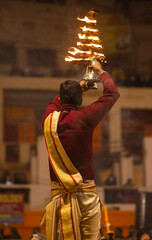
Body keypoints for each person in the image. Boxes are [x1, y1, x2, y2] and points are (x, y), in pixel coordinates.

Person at [41, 61, 120, 240]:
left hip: (59, 199)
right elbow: (112, 93)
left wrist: (78, 87)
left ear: (61, 99)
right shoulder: (85, 118)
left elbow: (55, 102)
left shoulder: (48, 119)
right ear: (80, 100)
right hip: (86, 199)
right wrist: (101, 72)